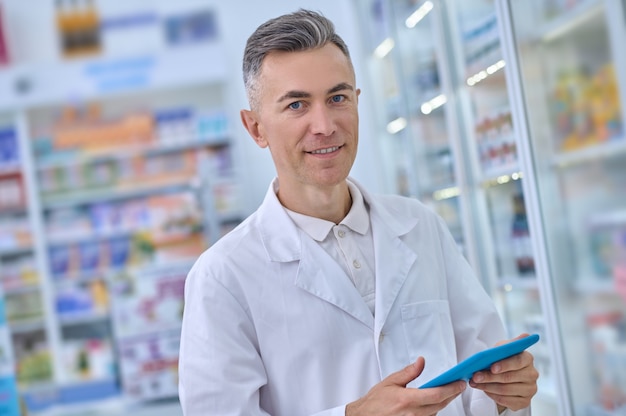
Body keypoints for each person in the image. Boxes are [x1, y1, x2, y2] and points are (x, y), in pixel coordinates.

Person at [178, 8, 539, 416]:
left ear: (356, 101)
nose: (325, 124)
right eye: (297, 105)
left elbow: (483, 366)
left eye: (337, 98)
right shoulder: (222, 277)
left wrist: (507, 393)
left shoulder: (419, 225)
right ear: (256, 128)